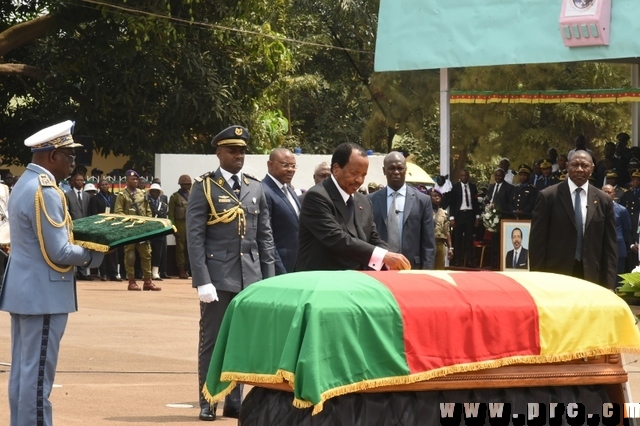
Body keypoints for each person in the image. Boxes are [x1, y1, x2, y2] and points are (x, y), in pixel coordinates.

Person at [0, 120, 104, 426]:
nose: (73, 161)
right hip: (44, 293)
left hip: (26, 290)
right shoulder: (46, 190)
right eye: (68, 154)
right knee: (37, 375)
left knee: (24, 371)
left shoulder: (24, 183)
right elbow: (59, 252)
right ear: (50, 156)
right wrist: (96, 254)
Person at [186, 125, 275, 421]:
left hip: (249, 276)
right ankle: (209, 399)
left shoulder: (255, 187)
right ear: (219, 153)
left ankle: (234, 399)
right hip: (218, 277)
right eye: (232, 150)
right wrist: (202, 280)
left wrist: (269, 277)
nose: (238, 155)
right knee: (212, 341)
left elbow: (265, 237)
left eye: (242, 151)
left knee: (240, 340)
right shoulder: (204, 187)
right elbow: (195, 237)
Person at [295, 143, 410, 271]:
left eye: (364, 175)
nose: (359, 180)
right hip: (321, 281)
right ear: (336, 169)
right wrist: (383, 256)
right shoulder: (317, 197)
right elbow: (337, 239)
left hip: (355, 281)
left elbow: (373, 237)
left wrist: (390, 258)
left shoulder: (363, 201)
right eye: (355, 173)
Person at [530, 150, 617, 288]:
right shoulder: (548, 197)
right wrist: (537, 281)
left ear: (592, 168)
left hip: (592, 278)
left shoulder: (603, 200)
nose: (579, 169)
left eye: (584, 165)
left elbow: (610, 247)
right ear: (567, 166)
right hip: (555, 277)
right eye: (575, 165)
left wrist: (609, 286)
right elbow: (537, 244)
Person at [369, 151, 435, 269]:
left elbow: (428, 244)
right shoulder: (370, 201)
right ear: (384, 171)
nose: (396, 172)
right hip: (379, 269)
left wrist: (426, 273)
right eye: (391, 168)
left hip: (412, 268)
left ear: (406, 170)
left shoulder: (423, 201)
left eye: (400, 168)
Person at [114, 169, 161, 291]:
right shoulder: (122, 195)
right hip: (130, 229)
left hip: (142, 228)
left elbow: (148, 209)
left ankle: (147, 281)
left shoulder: (142, 193)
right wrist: (130, 219)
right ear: (127, 180)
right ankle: (131, 281)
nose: (135, 181)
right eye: (132, 179)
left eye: (136, 179)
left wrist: (148, 222)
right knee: (130, 255)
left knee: (146, 254)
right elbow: (118, 212)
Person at [262, 148, 300, 275]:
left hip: (297, 264)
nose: (290, 169)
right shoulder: (264, 191)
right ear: (270, 165)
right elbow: (267, 237)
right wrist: (279, 271)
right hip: (280, 267)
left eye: (293, 166)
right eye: (285, 165)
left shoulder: (288, 189)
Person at [89, 178, 121, 281]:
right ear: (98, 186)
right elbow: (93, 214)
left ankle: (114, 273)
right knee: (102, 251)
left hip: (112, 226)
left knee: (113, 251)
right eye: (102, 184)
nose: (104, 186)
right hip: (101, 227)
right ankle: (103, 273)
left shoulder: (114, 197)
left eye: (106, 184)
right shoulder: (95, 198)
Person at [448, 169, 480, 268]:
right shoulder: (455, 187)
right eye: (462, 176)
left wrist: (477, 217)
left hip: (470, 214)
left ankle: (469, 261)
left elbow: (476, 203)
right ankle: (457, 261)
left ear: (468, 176)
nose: (464, 177)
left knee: (469, 239)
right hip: (459, 215)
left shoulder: (473, 187)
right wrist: (452, 218)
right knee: (457, 239)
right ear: (460, 176)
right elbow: (452, 203)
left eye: (465, 175)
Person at [602, 184, 632, 279]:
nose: (606, 194)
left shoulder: (622, 210)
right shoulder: (594, 207)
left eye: (609, 192)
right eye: (604, 192)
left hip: (618, 246)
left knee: (618, 274)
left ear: (614, 194)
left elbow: (627, 229)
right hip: (599, 245)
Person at [168, 174, 192, 279]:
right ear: (180, 185)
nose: (187, 186)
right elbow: (171, 215)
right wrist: (173, 227)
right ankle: (181, 270)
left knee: (191, 248)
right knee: (180, 249)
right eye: (184, 185)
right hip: (180, 224)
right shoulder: (175, 197)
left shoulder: (193, 195)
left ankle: (190, 270)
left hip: (191, 224)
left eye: (188, 184)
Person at [147, 183, 169, 281]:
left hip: (159, 232)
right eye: (154, 191)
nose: (155, 193)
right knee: (147, 253)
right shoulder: (146, 203)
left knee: (157, 253)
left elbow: (164, 218)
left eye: (157, 191)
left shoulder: (163, 205)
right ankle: (146, 272)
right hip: (148, 231)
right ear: (150, 192)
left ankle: (155, 272)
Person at [429, 188, 453, 269]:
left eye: (439, 196)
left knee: (439, 269)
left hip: (441, 243)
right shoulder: (425, 210)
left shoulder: (443, 212)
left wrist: (450, 248)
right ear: (429, 197)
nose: (437, 197)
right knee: (428, 268)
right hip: (429, 243)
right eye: (434, 196)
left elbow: (447, 231)